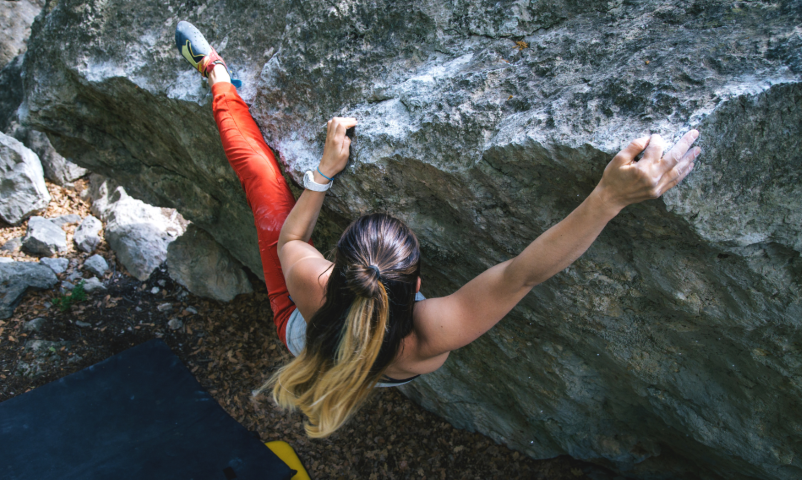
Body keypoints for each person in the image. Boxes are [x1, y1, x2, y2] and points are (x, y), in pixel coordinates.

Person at [175, 21, 701, 438]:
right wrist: (609, 196)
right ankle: (217, 73)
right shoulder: (429, 336)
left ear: (334, 269)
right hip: (351, 354)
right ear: (419, 286)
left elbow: (290, 238)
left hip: (302, 333)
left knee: (263, 182)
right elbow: (521, 274)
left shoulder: (309, 284)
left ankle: (216, 73)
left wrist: (323, 175)